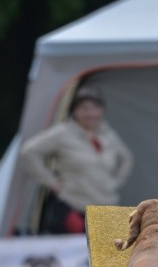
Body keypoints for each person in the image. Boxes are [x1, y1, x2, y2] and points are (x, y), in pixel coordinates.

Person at [19, 85, 134, 234]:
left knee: (107, 254)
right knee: (79, 252)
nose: (90, 113)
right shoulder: (63, 133)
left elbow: (127, 158)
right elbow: (28, 152)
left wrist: (115, 182)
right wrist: (52, 182)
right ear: (75, 111)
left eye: (95, 108)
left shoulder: (107, 133)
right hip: (74, 204)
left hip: (106, 205)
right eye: (85, 108)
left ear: (102, 110)